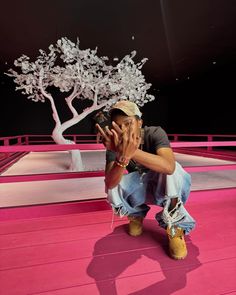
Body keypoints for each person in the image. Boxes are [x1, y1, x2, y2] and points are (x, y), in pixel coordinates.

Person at [96, 100, 195, 260]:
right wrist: (121, 156)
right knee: (113, 183)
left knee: (175, 170)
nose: (123, 130)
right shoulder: (115, 143)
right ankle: (135, 214)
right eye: (118, 126)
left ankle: (175, 228)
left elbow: (168, 166)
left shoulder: (154, 133)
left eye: (128, 123)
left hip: (162, 185)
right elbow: (110, 184)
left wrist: (129, 152)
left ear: (139, 122)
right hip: (140, 188)